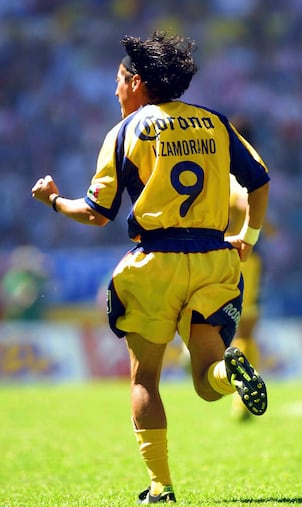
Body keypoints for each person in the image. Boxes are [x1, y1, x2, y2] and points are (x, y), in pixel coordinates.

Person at [32, 31, 270, 504]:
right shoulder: (214, 122)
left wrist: (54, 200)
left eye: (119, 81)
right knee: (207, 382)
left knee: (145, 380)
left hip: (155, 262)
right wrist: (249, 236)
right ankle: (231, 374)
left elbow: (98, 213)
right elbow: (259, 180)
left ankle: (161, 486)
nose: (115, 90)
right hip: (213, 260)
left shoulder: (125, 132)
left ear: (137, 81)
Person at [226, 118, 275, 421]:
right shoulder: (244, 172)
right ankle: (241, 401)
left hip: (218, 253)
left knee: (237, 328)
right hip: (242, 258)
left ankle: (192, 356)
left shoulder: (220, 168)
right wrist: (263, 228)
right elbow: (247, 203)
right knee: (245, 329)